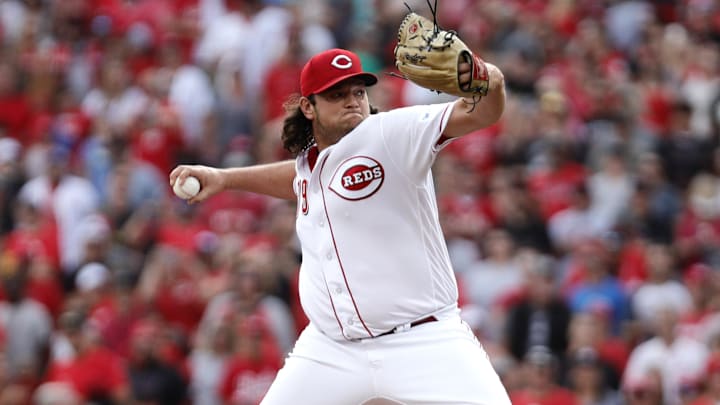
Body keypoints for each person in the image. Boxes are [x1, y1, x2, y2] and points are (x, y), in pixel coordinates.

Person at [170, 47, 509, 404]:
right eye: (337, 94)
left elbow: (482, 112)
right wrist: (224, 178)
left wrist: (488, 78)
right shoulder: (309, 165)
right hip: (331, 350)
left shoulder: (392, 134)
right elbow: (300, 178)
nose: (352, 102)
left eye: (358, 92)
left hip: (423, 340)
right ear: (308, 106)